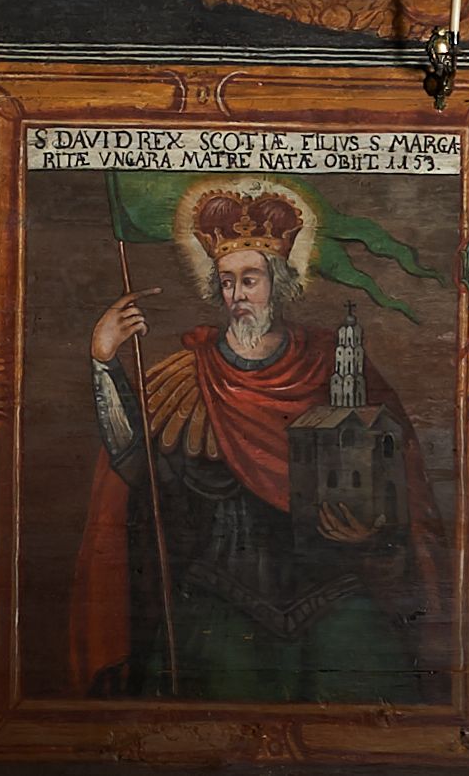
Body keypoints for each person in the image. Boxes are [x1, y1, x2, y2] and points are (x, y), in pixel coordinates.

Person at [69, 181, 448, 703]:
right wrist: (104, 360)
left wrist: (372, 533)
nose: (238, 296)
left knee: (377, 691)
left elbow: (401, 485)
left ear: (280, 282)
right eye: (227, 282)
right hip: (222, 596)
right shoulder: (189, 375)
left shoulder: (335, 367)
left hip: (331, 590)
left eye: (250, 279)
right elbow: (139, 471)